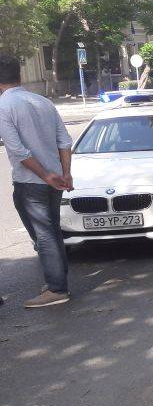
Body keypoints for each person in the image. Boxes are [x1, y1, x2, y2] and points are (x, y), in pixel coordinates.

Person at [0, 53, 74, 307]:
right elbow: (64, 141)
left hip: (32, 183)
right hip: (55, 181)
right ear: (18, 75)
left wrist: (45, 175)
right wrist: (64, 173)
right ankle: (57, 281)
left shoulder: (4, 106)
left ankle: (56, 289)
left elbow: (18, 150)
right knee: (52, 232)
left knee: (43, 236)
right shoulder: (42, 101)